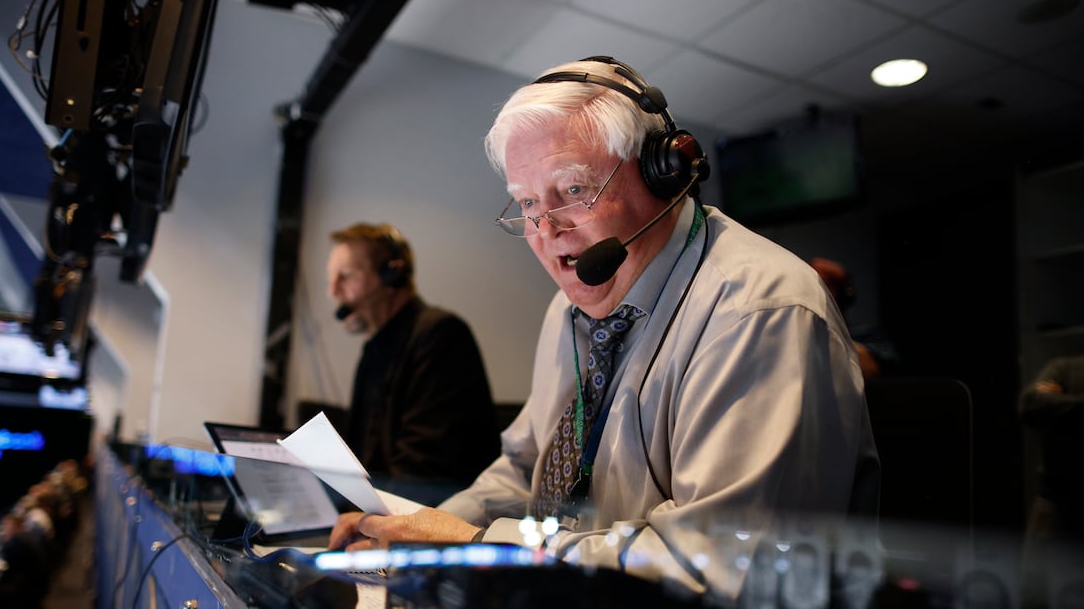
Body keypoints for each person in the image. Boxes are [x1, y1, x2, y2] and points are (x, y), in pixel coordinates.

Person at [327, 57, 878, 601]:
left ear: (663, 174)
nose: (547, 231)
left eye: (573, 190)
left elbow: (720, 571)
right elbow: (523, 470)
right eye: (527, 203)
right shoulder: (566, 312)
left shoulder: (759, 312)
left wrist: (480, 548)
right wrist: (416, 535)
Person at [326, 222, 500, 502]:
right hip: (388, 512)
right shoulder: (374, 350)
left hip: (432, 516)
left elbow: (424, 470)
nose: (333, 291)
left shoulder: (440, 334)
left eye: (345, 276)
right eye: (331, 278)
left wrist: (365, 517)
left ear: (391, 275)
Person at [1017, 354, 1084, 607]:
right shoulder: (1067, 368)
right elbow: (1031, 403)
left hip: (1057, 502)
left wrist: (1063, 401)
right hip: (1055, 504)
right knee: (1035, 593)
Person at [808, 257, 899, 380]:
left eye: (826, 285)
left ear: (844, 295)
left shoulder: (868, 334)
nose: (815, 292)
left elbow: (875, 368)